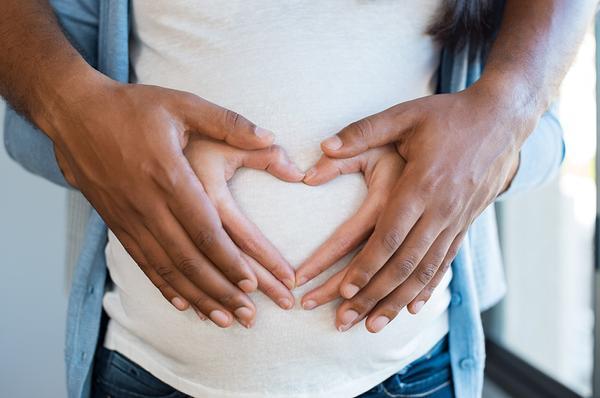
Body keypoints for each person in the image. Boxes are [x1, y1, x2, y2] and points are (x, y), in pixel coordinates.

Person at [1, 1, 595, 397]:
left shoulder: (530, 42)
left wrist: (485, 157)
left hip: (409, 373)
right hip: (150, 371)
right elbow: (32, 126)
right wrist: (137, 158)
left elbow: (546, 138)